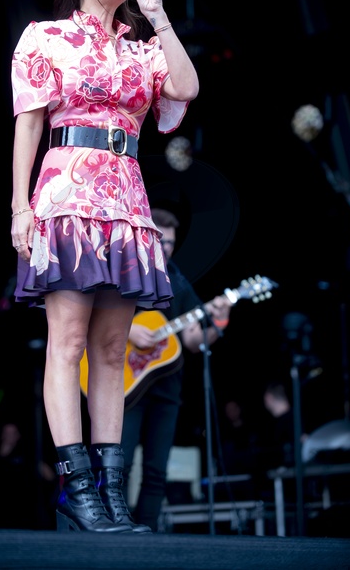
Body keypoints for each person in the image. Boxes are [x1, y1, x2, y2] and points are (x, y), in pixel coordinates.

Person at [10, 0, 199, 534]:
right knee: (67, 341)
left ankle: (112, 494)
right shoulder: (46, 38)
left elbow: (185, 89)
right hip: (67, 193)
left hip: (125, 199)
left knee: (112, 349)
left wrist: (157, 14)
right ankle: (77, 489)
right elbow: (28, 124)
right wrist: (20, 207)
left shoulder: (141, 50)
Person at [120, 208, 233, 531]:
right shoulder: (123, 271)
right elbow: (97, 316)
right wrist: (129, 330)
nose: (166, 248)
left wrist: (219, 320)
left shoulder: (178, 281)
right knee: (120, 465)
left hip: (167, 387)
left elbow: (194, 340)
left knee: (157, 471)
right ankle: (115, 533)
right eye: (160, 240)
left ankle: (147, 536)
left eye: (170, 242)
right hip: (126, 386)